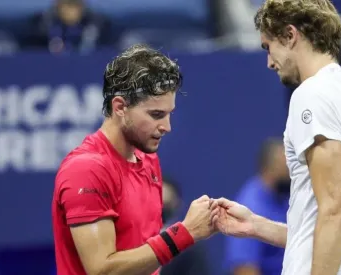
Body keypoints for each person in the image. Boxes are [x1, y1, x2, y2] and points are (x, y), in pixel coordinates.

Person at [213, 1, 341, 275]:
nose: (269, 62)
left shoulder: (312, 95)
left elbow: (335, 212)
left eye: (268, 47)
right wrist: (257, 226)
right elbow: (335, 230)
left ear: (290, 35)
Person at [51, 44, 219, 275]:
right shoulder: (86, 169)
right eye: (156, 115)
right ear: (120, 107)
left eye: (169, 114)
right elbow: (103, 271)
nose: (167, 127)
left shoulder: (148, 160)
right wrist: (185, 233)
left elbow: (145, 258)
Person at [225, 138, 290, 275]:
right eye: (287, 168)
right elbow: (244, 268)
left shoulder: (286, 198)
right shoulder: (250, 206)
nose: (292, 174)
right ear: (270, 168)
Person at [160, 177, 211, 275]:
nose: (161, 209)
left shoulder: (189, 248)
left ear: (177, 205)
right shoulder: (129, 240)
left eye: (166, 204)